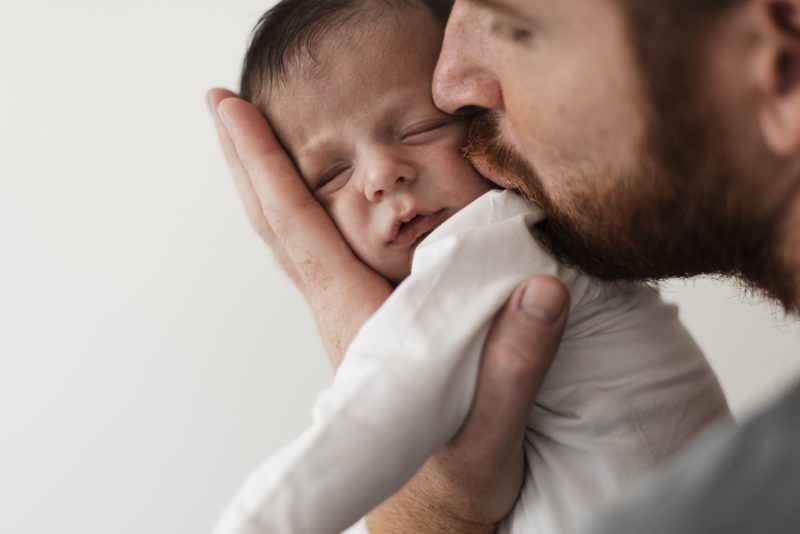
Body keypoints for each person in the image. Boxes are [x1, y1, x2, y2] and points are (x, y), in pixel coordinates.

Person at [207, 0, 800, 531]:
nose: (381, 176)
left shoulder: (495, 232)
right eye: (330, 177)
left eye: (422, 127)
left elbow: (374, 411)